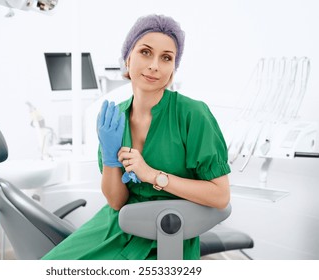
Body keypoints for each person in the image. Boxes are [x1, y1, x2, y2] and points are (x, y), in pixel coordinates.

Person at [42, 14, 230, 260]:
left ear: (173, 69)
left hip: (166, 234)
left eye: (166, 58)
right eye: (145, 52)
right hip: (117, 227)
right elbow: (117, 201)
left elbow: (220, 195)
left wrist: (152, 175)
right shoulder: (115, 118)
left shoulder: (192, 114)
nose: (154, 65)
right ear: (127, 58)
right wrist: (111, 159)